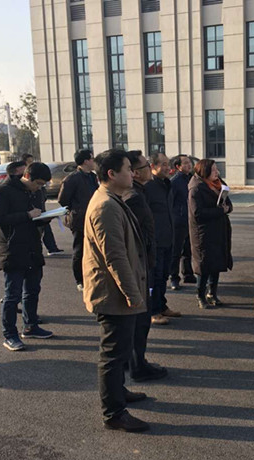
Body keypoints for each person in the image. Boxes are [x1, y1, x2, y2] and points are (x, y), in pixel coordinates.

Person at [82, 149, 150, 433]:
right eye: (127, 169)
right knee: (112, 355)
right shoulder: (105, 206)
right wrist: (133, 295)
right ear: (111, 174)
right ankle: (113, 413)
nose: (133, 174)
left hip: (119, 292)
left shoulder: (112, 199)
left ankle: (118, 393)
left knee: (120, 352)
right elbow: (115, 257)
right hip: (113, 295)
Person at [0, 162, 55, 351]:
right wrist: (27, 215)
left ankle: (30, 326)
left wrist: (45, 217)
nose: (40, 188)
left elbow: (35, 218)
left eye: (43, 185)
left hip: (33, 247)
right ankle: (10, 335)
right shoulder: (4, 191)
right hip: (12, 249)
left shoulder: (36, 192)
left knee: (32, 291)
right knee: (12, 296)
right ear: (27, 176)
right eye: (38, 183)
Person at [122, 150, 168, 382]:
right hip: (139, 266)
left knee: (137, 319)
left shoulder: (139, 192)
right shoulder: (133, 197)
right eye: (146, 166)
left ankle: (133, 361)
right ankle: (137, 365)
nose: (150, 169)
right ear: (136, 173)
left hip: (141, 264)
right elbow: (139, 236)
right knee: (139, 320)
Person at [188, 158, 233, 309]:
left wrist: (226, 208)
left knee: (216, 263)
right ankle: (200, 295)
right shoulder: (196, 188)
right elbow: (197, 213)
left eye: (216, 169)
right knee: (204, 266)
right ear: (204, 171)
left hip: (219, 230)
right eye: (213, 170)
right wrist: (220, 210)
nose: (217, 172)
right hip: (203, 233)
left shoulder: (219, 184)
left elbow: (229, 204)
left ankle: (212, 293)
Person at [144, 152, 181, 325]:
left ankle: (162, 305)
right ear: (153, 166)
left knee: (164, 275)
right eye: (163, 164)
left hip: (168, 237)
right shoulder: (148, 187)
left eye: (168, 164)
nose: (168, 168)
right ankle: (153, 311)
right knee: (155, 277)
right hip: (155, 240)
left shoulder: (167, 184)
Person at [58, 149, 99, 292]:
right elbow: (63, 200)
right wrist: (76, 209)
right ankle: (80, 280)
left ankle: (91, 276)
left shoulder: (93, 177)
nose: (94, 161)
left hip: (93, 218)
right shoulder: (72, 179)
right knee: (79, 250)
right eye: (92, 158)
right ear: (86, 161)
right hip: (79, 220)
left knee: (94, 250)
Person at [168, 155, 196, 290]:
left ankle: (188, 274)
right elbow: (170, 202)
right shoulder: (174, 181)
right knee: (176, 250)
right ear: (178, 167)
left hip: (190, 219)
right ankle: (174, 277)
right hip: (179, 220)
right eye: (185, 163)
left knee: (188, 249)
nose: (189, 165)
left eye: (189, 162)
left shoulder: (191, 178)